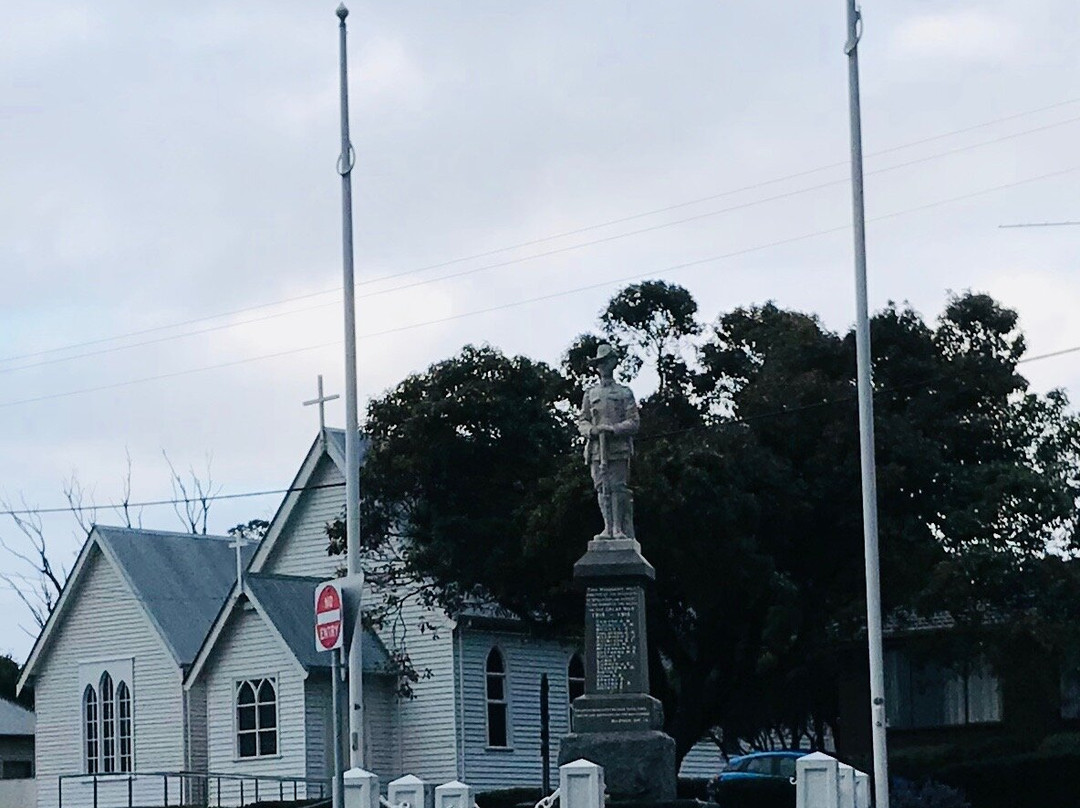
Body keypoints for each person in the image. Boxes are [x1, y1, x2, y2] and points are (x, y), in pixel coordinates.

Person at [577, 342, 640, 539]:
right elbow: (583, 420)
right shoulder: (590, 393)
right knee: (601, 487)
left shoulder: (624, 392)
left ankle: (618, 529)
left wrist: (613, 429)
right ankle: (607, 527)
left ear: (613, 362)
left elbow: (634, 422)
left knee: (617, 487)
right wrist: (591, 431)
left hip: (618, 447)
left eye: (606, 361)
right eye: (599, 363)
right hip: (597, 448)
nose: (602, 366)